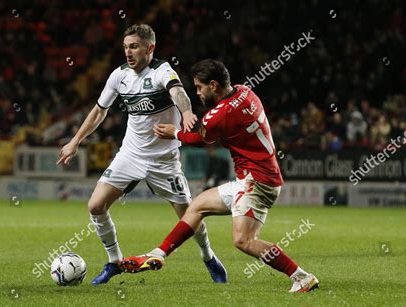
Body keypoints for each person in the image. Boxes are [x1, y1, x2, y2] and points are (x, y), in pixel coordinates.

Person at [120, 59, 319, 293]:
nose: (197, 93)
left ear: (213, 85)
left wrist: (174, 132)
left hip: (256, 182)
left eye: (199, 87)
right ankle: (159, 254)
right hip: (257, 178)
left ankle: (301, 276)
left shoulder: (220, 114)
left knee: (243, 241)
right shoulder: (245, 91)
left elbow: (201, 138)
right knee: (197, 206)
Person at [57, 25, 227, 285]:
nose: (128, 52)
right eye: (125, 47)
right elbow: (99, 110)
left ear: (150, 48)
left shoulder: (162, 71)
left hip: (164, 161)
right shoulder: (119, 76)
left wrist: (186, 113)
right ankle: (114, 262)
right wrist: (75, 141)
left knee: (189, 216)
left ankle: (209, 257)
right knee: (95, 205)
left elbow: (178, 92)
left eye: (134, 46)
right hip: (130, 155)